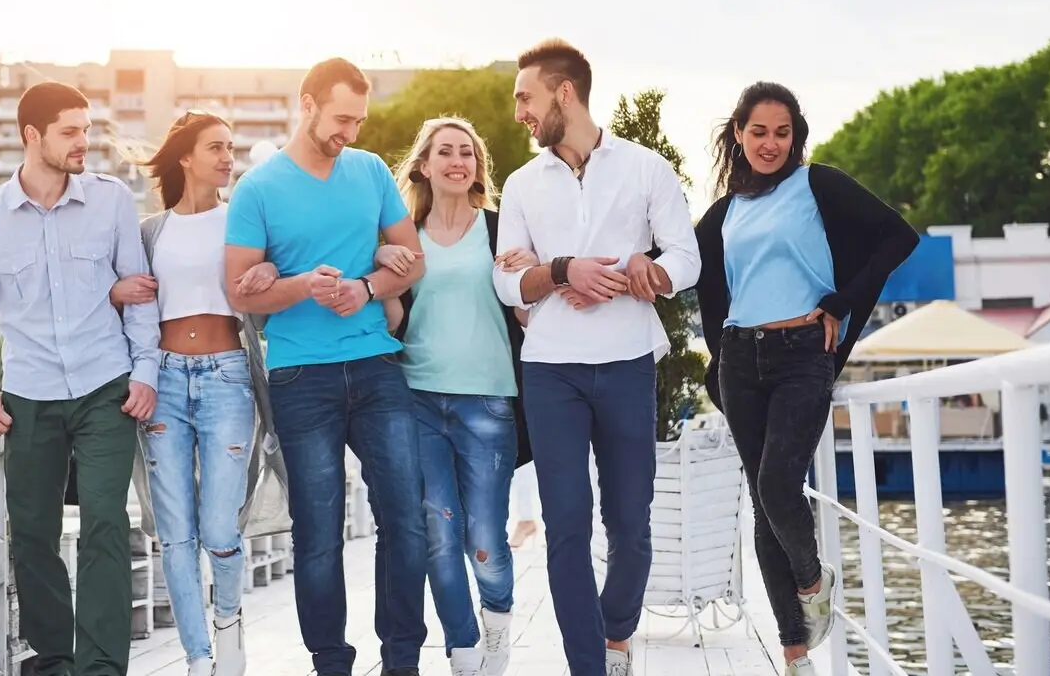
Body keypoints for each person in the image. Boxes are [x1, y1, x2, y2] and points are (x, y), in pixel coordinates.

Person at [491, 39, 701, 676]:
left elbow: (685, 260)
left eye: (526, 98)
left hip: (628, 362)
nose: (520, 113)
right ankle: (588, 665)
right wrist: (563, 271)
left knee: (632, 525)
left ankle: (615, 634)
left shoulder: (645, 170)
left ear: (564, 92)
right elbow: (506, 282)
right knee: (566, 526)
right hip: (550, 369)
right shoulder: (522, 184)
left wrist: (647, 270)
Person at [693, 82, 918, 676]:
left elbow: (900, 236)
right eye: (759, 131)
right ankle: (795, 654)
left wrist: (840, 303)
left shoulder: (818, 184)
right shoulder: (723, 212)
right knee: (764, 512)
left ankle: (814, 583)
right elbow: (688, 273)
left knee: (775, 486)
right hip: (740, 360)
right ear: (738, 134)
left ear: (797, 136)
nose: (771, 144)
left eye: (782, 132)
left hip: (801, 355)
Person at [0, 80, 160, 676]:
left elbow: (139, 294)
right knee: (33, 532)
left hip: (106, 387)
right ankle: (55, 659)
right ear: (32, 135)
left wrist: (145, 372)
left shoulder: (112, 201)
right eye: (70, 131)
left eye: (87, 129)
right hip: (28, 396)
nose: (84, 141)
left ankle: (103, 665)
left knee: (106, 523)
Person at [222, 57, 430, 676]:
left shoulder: (368, 172)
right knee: (317, 534)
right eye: (342, 118)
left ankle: (401, 659)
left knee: (405, 517)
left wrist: (366, 287)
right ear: (307, 105)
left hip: (376, 366)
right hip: (299, 376)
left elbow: (413, 262)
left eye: (360, 120)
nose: (353, 132)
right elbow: (239, 292)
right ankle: (331, 663)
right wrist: (301, 285)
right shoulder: (258, 190)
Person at [108, 111, 291, 676]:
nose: (226, 157)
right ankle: (197, 658)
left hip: (227, 378)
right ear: (185, 156)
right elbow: (123, 302)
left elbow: (269, 286)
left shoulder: (243, 221)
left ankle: (228, 624)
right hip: (162, 380)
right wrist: (117, 291)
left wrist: (268, 277)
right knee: (174, 532)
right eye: (215, 147)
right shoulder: (149, 232)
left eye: (231, 148)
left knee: (217, 526)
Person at [376, 116, 533, 676]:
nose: (457, 160)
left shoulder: (498, 233)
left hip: (487, 401)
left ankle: (497, 623)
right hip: (417, 398)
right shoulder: (402, 239)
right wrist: (380, 276)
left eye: (467, 152)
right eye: (445, 151)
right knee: (439, 535)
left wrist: (523, 276)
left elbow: (526, 313)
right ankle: (464, 653)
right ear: (423, 164)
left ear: (477, 168)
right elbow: (393, 320)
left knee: (485, 541)